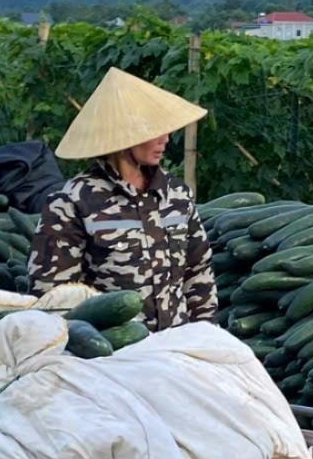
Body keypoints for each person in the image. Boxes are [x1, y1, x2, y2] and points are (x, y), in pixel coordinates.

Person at [29, 67, 219, 331]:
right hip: (115, 357)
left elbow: (198, 273)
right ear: (124, 136)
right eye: (154, 131)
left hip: (179, 349)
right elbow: (54, 297)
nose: (166, 139)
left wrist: (207, 335)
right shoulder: (72, 202)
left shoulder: (177, 195)